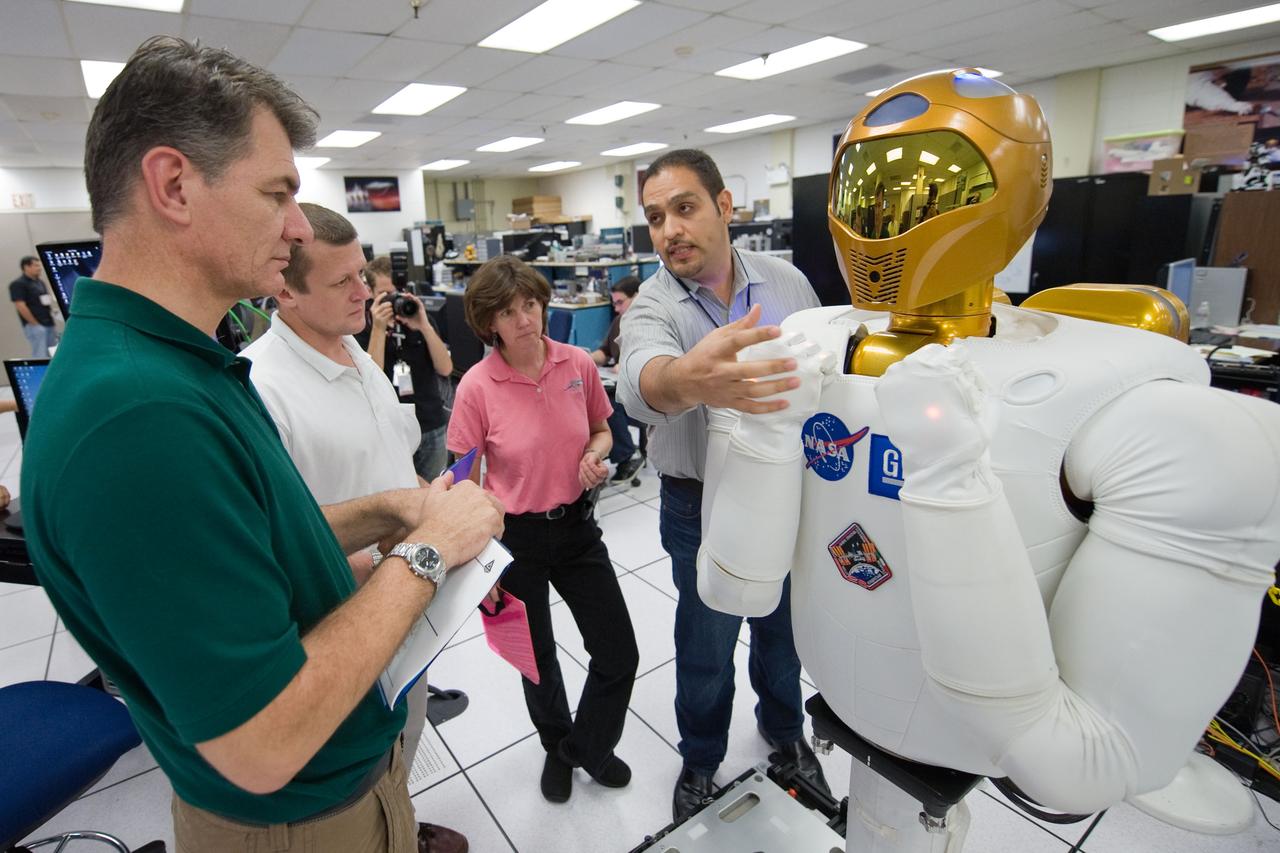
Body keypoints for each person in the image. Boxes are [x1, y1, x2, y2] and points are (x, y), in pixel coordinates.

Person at [700, 69, 1280, 851]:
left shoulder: (1144, 409)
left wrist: (950, 478)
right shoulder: (811, 342)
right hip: (837, 671)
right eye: (866, 188)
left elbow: (1086, 765)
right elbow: (734, 584)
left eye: (928, 189)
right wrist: (766, 434)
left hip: (969, 726)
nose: (886, 218)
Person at [19, 36, 502, 853]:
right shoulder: (137, 413)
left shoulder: (176, 363)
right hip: (296, 824)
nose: (295, 225)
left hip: (339, 785)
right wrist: (428, 550)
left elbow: (253, 541)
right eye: (277, 192)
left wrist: (389, 508)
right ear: (174, 185)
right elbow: (262, 740)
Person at [614, 148, 830, 821]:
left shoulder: (787, 282)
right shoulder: (653, 304)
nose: (669, 230)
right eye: (655, 218)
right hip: (697, 502)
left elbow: (826, 368)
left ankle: (786, 732)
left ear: (724, 206)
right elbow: (640, 384)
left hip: (788, 490)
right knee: (706, 642)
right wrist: (688, 379)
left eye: (684, 208)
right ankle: (702, 758)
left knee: (782, 631)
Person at [240, 204, 445, 795]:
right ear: (286, 291)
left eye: (362, 273)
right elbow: (269, 538)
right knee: (362, 770)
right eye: (342, 281)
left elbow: (389, 459)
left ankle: (400, 820)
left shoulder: (354, 349)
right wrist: (378, 554)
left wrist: (434, 503)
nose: (365, 292)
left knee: (407, 732)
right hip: (345, 625)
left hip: (406, 595)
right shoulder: (260, 387)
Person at [448, 255, 639, 805]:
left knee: (618, 653)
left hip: (577, 529)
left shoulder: (576, 363)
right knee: (536, 661)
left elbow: (602, 430)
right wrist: (478, 558)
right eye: (508, 312)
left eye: (530, 304)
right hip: (516, 540)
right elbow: (463, 479)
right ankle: (556, 744)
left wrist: (595, 455)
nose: (525, 319)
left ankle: (585, 748)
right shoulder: (477, 386)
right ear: (489, 323)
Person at [356, 255, 453, 480]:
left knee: (433, 491)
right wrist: (379, 329)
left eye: (397, 293)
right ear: (370, 292)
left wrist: (424, 326)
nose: (393, 300)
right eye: (385, 294)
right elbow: (370, 379)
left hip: (430, 423)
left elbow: (446, 368)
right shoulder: (362, 327)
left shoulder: (417, 318)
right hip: (390, 429)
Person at [590, 275, 644, 483]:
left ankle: (628, 457)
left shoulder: (650, 323)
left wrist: (629, 363)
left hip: (643, 393)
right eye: (614, 303)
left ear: (637, 297)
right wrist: (586, 359)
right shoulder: (619, 322)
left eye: (620, 302)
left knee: (607, 406)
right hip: (621, 386)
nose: (616, 308)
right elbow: (605, 352)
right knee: (595, 401)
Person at [10, 255, 58, 357]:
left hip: (48, 323)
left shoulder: (40, 282)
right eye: (36, 265)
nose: (39, 268)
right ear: (26, 267)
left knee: (53, 354)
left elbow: (45, 301)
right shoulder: (18, 284)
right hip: (36, 325)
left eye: (39, 265)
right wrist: (35, 324)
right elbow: (20, 305)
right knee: (40, 354)